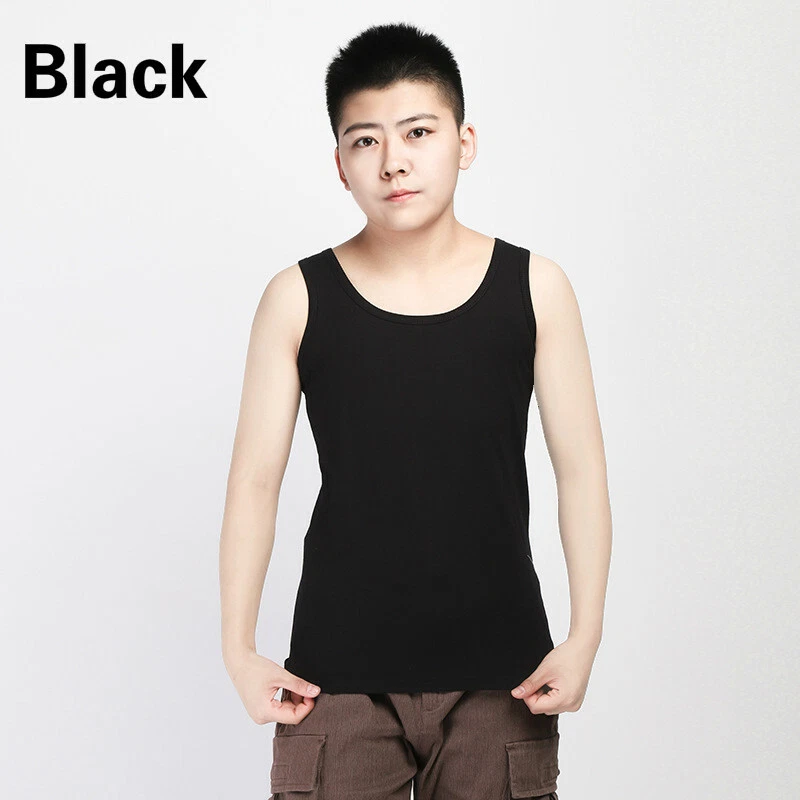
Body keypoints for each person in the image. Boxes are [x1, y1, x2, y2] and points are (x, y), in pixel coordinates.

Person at [219, 21, 611, 800]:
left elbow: (582, 471)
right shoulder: (297, 297)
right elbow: (254, 483)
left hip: (504, 675)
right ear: (340, 165)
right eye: (365, 140)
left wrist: (584, 637)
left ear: (464, 142)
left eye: (418, 132)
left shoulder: (536, 288)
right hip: (333, 680)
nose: (392, 160)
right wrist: (239, 649)